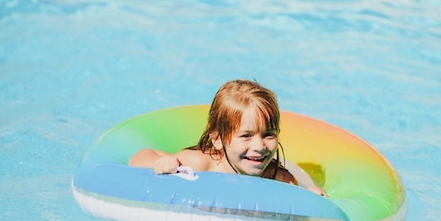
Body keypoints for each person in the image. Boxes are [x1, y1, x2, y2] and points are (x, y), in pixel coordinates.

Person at [128, 79, 327, 196]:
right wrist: (162, 162)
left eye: (268, 135)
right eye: (246, 136)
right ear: (217, 139)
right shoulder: (201, 163)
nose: (259, 145)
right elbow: (139, 157)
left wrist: (311, 197)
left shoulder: (279, 178)